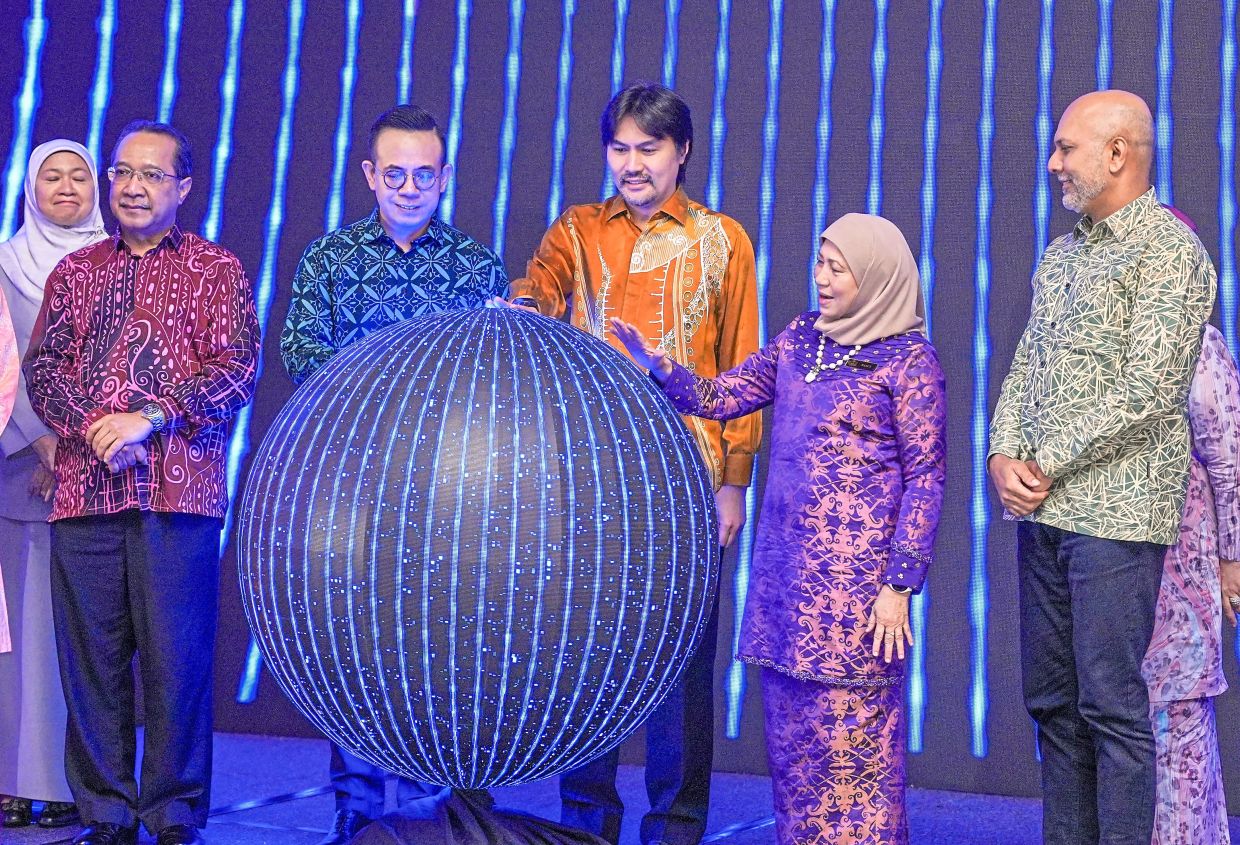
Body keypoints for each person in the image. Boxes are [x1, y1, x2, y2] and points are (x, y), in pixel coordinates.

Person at [612, 212, 946, 844]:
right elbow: (720, 397)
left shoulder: (909, 362)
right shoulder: (800, 340)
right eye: (820, 262)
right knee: (795, 758)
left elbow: (926, 479)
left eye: (838, 268)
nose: (821, 278)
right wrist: (660, 367)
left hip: (857, 594)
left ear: (877, 278)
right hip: (785, 586)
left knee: (853, 761)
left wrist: (899, 585)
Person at [498, 82, 761, 845]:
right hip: (591, 479)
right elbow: (540, 288)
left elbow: (742, 365)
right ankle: (586, 823)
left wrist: (734, 481)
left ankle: (674, 827)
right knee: (588, 656)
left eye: (649, 147)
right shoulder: (577, 230)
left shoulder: (723, 240)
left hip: (688, 478)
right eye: (620, 148)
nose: (633, 163)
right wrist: (524, 303)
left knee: (682, 667)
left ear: (683, 151)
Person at [987, 91, 1216, 845]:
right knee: (1053, 705)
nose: (1053, 163)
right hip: (1044, 512)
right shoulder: (1061, 255)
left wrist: (1042, 459)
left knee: (1112, 709)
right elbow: (1026, 364)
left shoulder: (1171, 252)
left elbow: (1149, 389)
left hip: (1117, 519)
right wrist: (1001, 453)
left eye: (1066, 148)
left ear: (1118, 154)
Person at [24, 120, 260, 845]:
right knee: (91, 664)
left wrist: (149, 419)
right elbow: (43, 369)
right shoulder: (77, 272)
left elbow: (236, 370)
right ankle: (105, 814)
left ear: (183, 187)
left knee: (176, 666)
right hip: (85, 494)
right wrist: (99, 429)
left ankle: (174, 813)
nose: (132, 187)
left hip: (178, 495)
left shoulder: (217, 269)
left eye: (152, 175)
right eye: (123, 172)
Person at [279, 104, 509, 845]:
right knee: (353, 647)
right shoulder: (328, 260)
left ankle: (435, 807)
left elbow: (493, 377)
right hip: (352, 490)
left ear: (446, 177)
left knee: (442, 648)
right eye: (396, 174)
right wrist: (386, 393)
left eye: (424, 175)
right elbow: (300, 352)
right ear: (370, 175)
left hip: (450, 497)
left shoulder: (477, 266)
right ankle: (356, 807)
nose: (410, 188)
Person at [0, 138, 107, 832]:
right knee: (19, 641)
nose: (66, 187)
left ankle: (73, 784)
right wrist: (38, 441)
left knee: (82, 640)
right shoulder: (4, 267)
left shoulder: (116, 265)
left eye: (78, 176)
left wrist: (70, 445)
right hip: (18, 475)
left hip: (98, 474)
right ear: (30, 190)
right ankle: (12, 781)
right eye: (51, 177)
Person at [1141, 205, 1238, 845]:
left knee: (1177, 720)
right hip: (1116, 556)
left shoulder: (1198, 346)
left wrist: (1232, 558)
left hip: (1181, 558)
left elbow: (1229, 462)